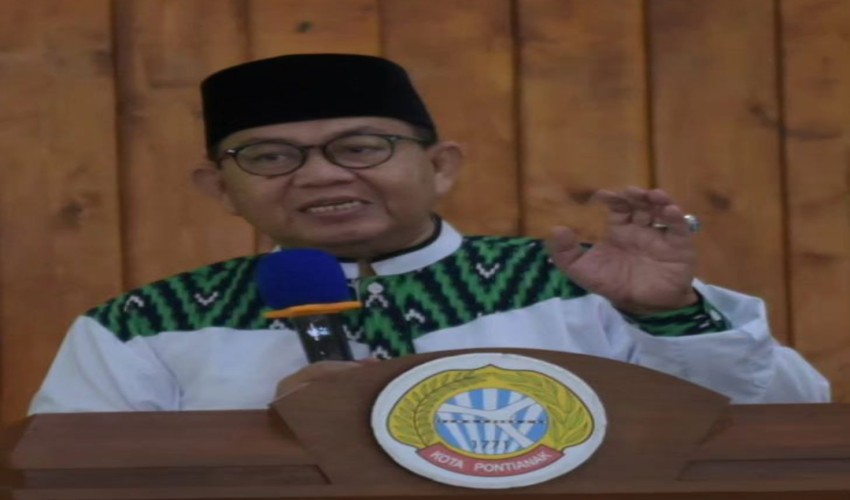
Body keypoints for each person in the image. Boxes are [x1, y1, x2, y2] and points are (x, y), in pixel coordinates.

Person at [29, 54, 829, 414]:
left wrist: (671, 316)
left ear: (441, 167)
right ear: (220, 189)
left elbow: (790, 421)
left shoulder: (580, 282)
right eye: (269, 156)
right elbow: (77, 478)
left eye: (361, 147)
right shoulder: (142, 327)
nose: (320, 176)